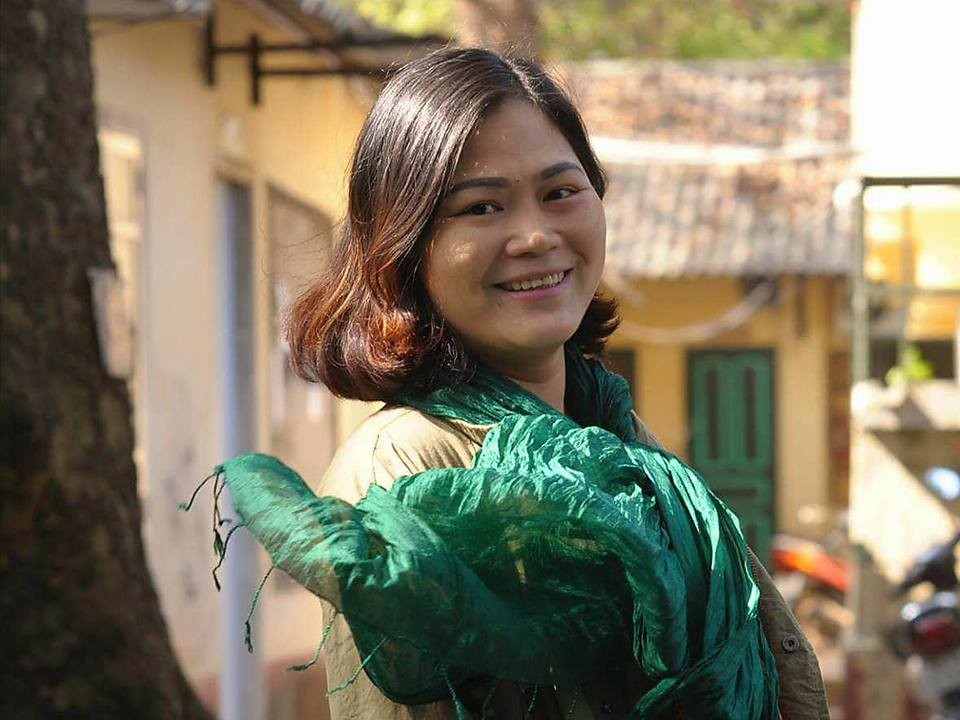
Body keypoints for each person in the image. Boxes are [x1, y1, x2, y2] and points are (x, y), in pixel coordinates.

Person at [223, 47, 828, 719]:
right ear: (405, 246)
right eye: (481, 207)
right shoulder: (403, 466)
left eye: (560, 193)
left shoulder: (611, 435)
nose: (536, 236)